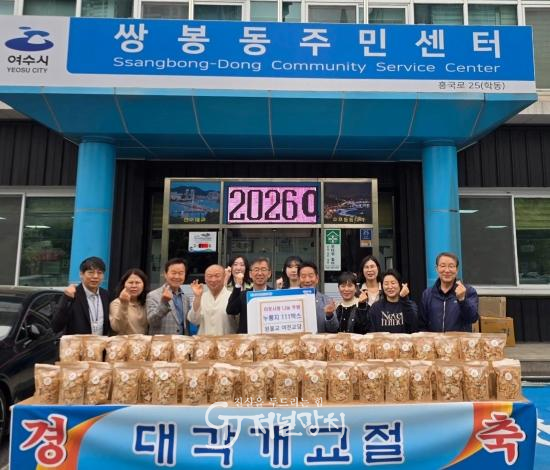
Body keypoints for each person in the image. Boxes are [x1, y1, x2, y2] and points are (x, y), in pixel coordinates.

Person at [419, 252, 479, 332]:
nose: (447, 270)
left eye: (451, 266)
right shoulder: (427, 294)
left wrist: (462, 300)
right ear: (436, 269)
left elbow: (472, 318)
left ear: (456, 270)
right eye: (443, 266)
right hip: (435, 340)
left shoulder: (469, 291)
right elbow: (422, 325)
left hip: (459, 340)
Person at [52, 256, 110, 335]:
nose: (95, 276)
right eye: (91, 272)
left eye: (99, 273)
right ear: (81, 274)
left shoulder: (106, 295)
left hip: (100, 342)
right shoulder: (72, 295)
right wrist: (67, 299)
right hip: (77, 343)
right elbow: (56, 327)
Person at [226, 257, 272, 333]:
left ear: (269, 274)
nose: (260, 273)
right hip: (246, 338)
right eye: (256, 270)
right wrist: (237, 285)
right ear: (250, 274)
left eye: (263, 270)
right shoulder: (244, 295)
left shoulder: (275, 295)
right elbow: (231, 310)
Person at [146, 258, 191, 335]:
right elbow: (152, 321)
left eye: (181, 273)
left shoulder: (185, 298)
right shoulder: (153, 295)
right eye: (173, 273)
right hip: (162, 341)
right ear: (165, 274)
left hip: (181, 341)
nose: (177, 276)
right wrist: (164, 302)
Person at [188, 264, 235, 335]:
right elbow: (194, 320)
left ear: (224, 277)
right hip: (204, 341)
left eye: (217, 276)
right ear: (205, 279)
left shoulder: (232, 297)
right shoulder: (201, 297)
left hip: (226, 341)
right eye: (209, 276)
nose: (213, 280)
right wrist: (197, 297)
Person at [367, 269, 419, 333]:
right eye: (386, 284)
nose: (390, 287)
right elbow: (371, 332)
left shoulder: (409, 304)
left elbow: (414, 326)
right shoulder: (376, 307)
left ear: (400, 284)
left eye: (393, 283)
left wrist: (404, 299)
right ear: (382, 286)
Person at [298, 261, 339, 333]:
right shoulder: (292, 300)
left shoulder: (327, 300)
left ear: (317, 279)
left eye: (311, 276)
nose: (307, 280)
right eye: (303, 276)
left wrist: (329, 315)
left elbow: (334, 329)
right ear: (299, 279)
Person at [109, 268, 149, 335]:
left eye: (138, 283)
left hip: (144, 341)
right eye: (130, 282)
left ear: (144, 285)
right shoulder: (116, 303)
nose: (134, 286)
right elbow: (117, 327)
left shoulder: (147, 302)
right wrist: (124, 304)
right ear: (124, 284)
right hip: (125, 341)